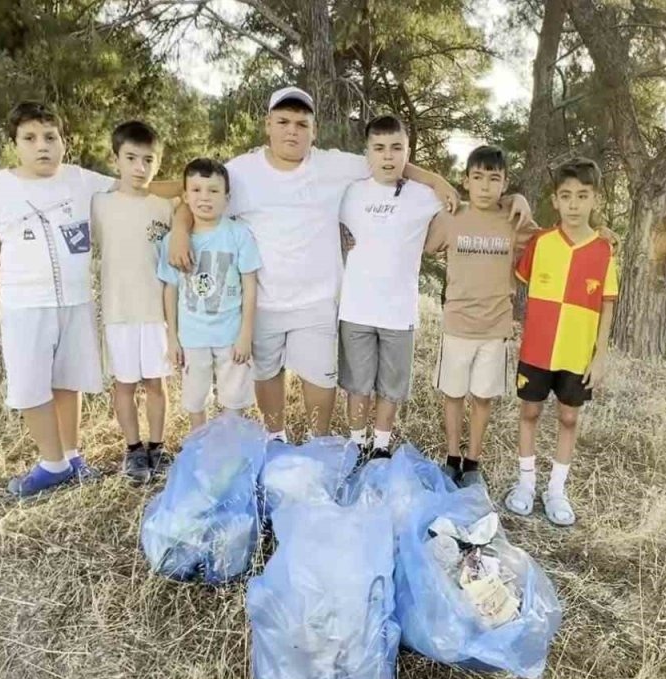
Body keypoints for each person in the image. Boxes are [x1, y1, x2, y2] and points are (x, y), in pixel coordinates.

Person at [168, 87, 529, 442]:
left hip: (319, 299)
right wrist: (180, 230)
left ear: (314, 130)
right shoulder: (242, 171)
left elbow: (388, 163)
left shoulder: (334, 165)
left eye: (301, 123)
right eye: (283, 121)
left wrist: (439, 180)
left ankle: (318, 442)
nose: (292, 130)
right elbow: (198, 193)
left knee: (321, 379)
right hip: (263, 298)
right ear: (268, 124)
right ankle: (275, 437)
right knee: (266, 373)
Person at [0, 101, 118, 496]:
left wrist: (196, 186)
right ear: (15, 144)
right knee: (30, 385)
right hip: (25, 305)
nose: (43, 146)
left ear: (64, 141)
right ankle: (51, 462)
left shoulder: (80, 179)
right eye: (30, 138)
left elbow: (132, 189)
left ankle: (71, 456)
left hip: (75, 301)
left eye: (51, 137)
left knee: (66, 380)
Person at [504, 158, 618, 526]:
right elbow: (515, 279)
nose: (573, 204)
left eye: (582, 196)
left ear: (594, 200)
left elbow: (607, 306)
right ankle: (525, 484)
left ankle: (556, 490)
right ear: (555, 200)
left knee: (569, 418)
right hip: (537, 348)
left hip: (576, 353)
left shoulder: (604, 250)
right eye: (566, 196)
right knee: (530, 412)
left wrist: (599, 356)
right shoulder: (542, 243)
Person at [423, 145, 537, 489]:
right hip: (457, 324)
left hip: (494, 327)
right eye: (478, 178)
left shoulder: (514, 221)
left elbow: (553, 241)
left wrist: (523, 201)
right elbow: (420, 243)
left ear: (504, 184)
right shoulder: (451, 218)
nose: (485, 186)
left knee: (482, 398)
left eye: (494, 179)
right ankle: (452, 457)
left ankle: (473, 460)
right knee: (454, 395)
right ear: (466, 181)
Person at [336, 115, 443, 459]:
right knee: (357, 384)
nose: (388, 156)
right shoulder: (349, 191)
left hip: (399, 312)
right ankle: (356, 442)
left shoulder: (424, 196)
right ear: (367, 152)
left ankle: (380, 446)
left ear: (407, 152)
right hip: (355, 308)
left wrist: (520, 203)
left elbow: (463, 207)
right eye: (379, 148)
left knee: (390, 388)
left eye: (397, 148)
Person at [93, 120, 176, 484]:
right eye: (131, 158)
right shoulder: (100, 203)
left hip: (155, 311)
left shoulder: (164, 207)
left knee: (156, 383)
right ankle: (133, 449)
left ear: (157, 163)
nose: (140, 168)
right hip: (118, 310)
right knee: (124, 385)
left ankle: (158, 446)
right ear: (116, 160)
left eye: (148, 160)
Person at [157, 158, 263, 429]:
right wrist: (172, 338)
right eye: (196, 190)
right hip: (192, 337)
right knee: (195, 399)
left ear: (227, 198)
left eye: (213, 191)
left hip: (231, 334)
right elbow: (171, 289)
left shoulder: (238, 234)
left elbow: (250, 284)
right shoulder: (173, 242)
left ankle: (231, 447)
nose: (205, 197)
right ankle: (199, 446)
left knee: (234, 399)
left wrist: (245, 335)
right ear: (185, 196)